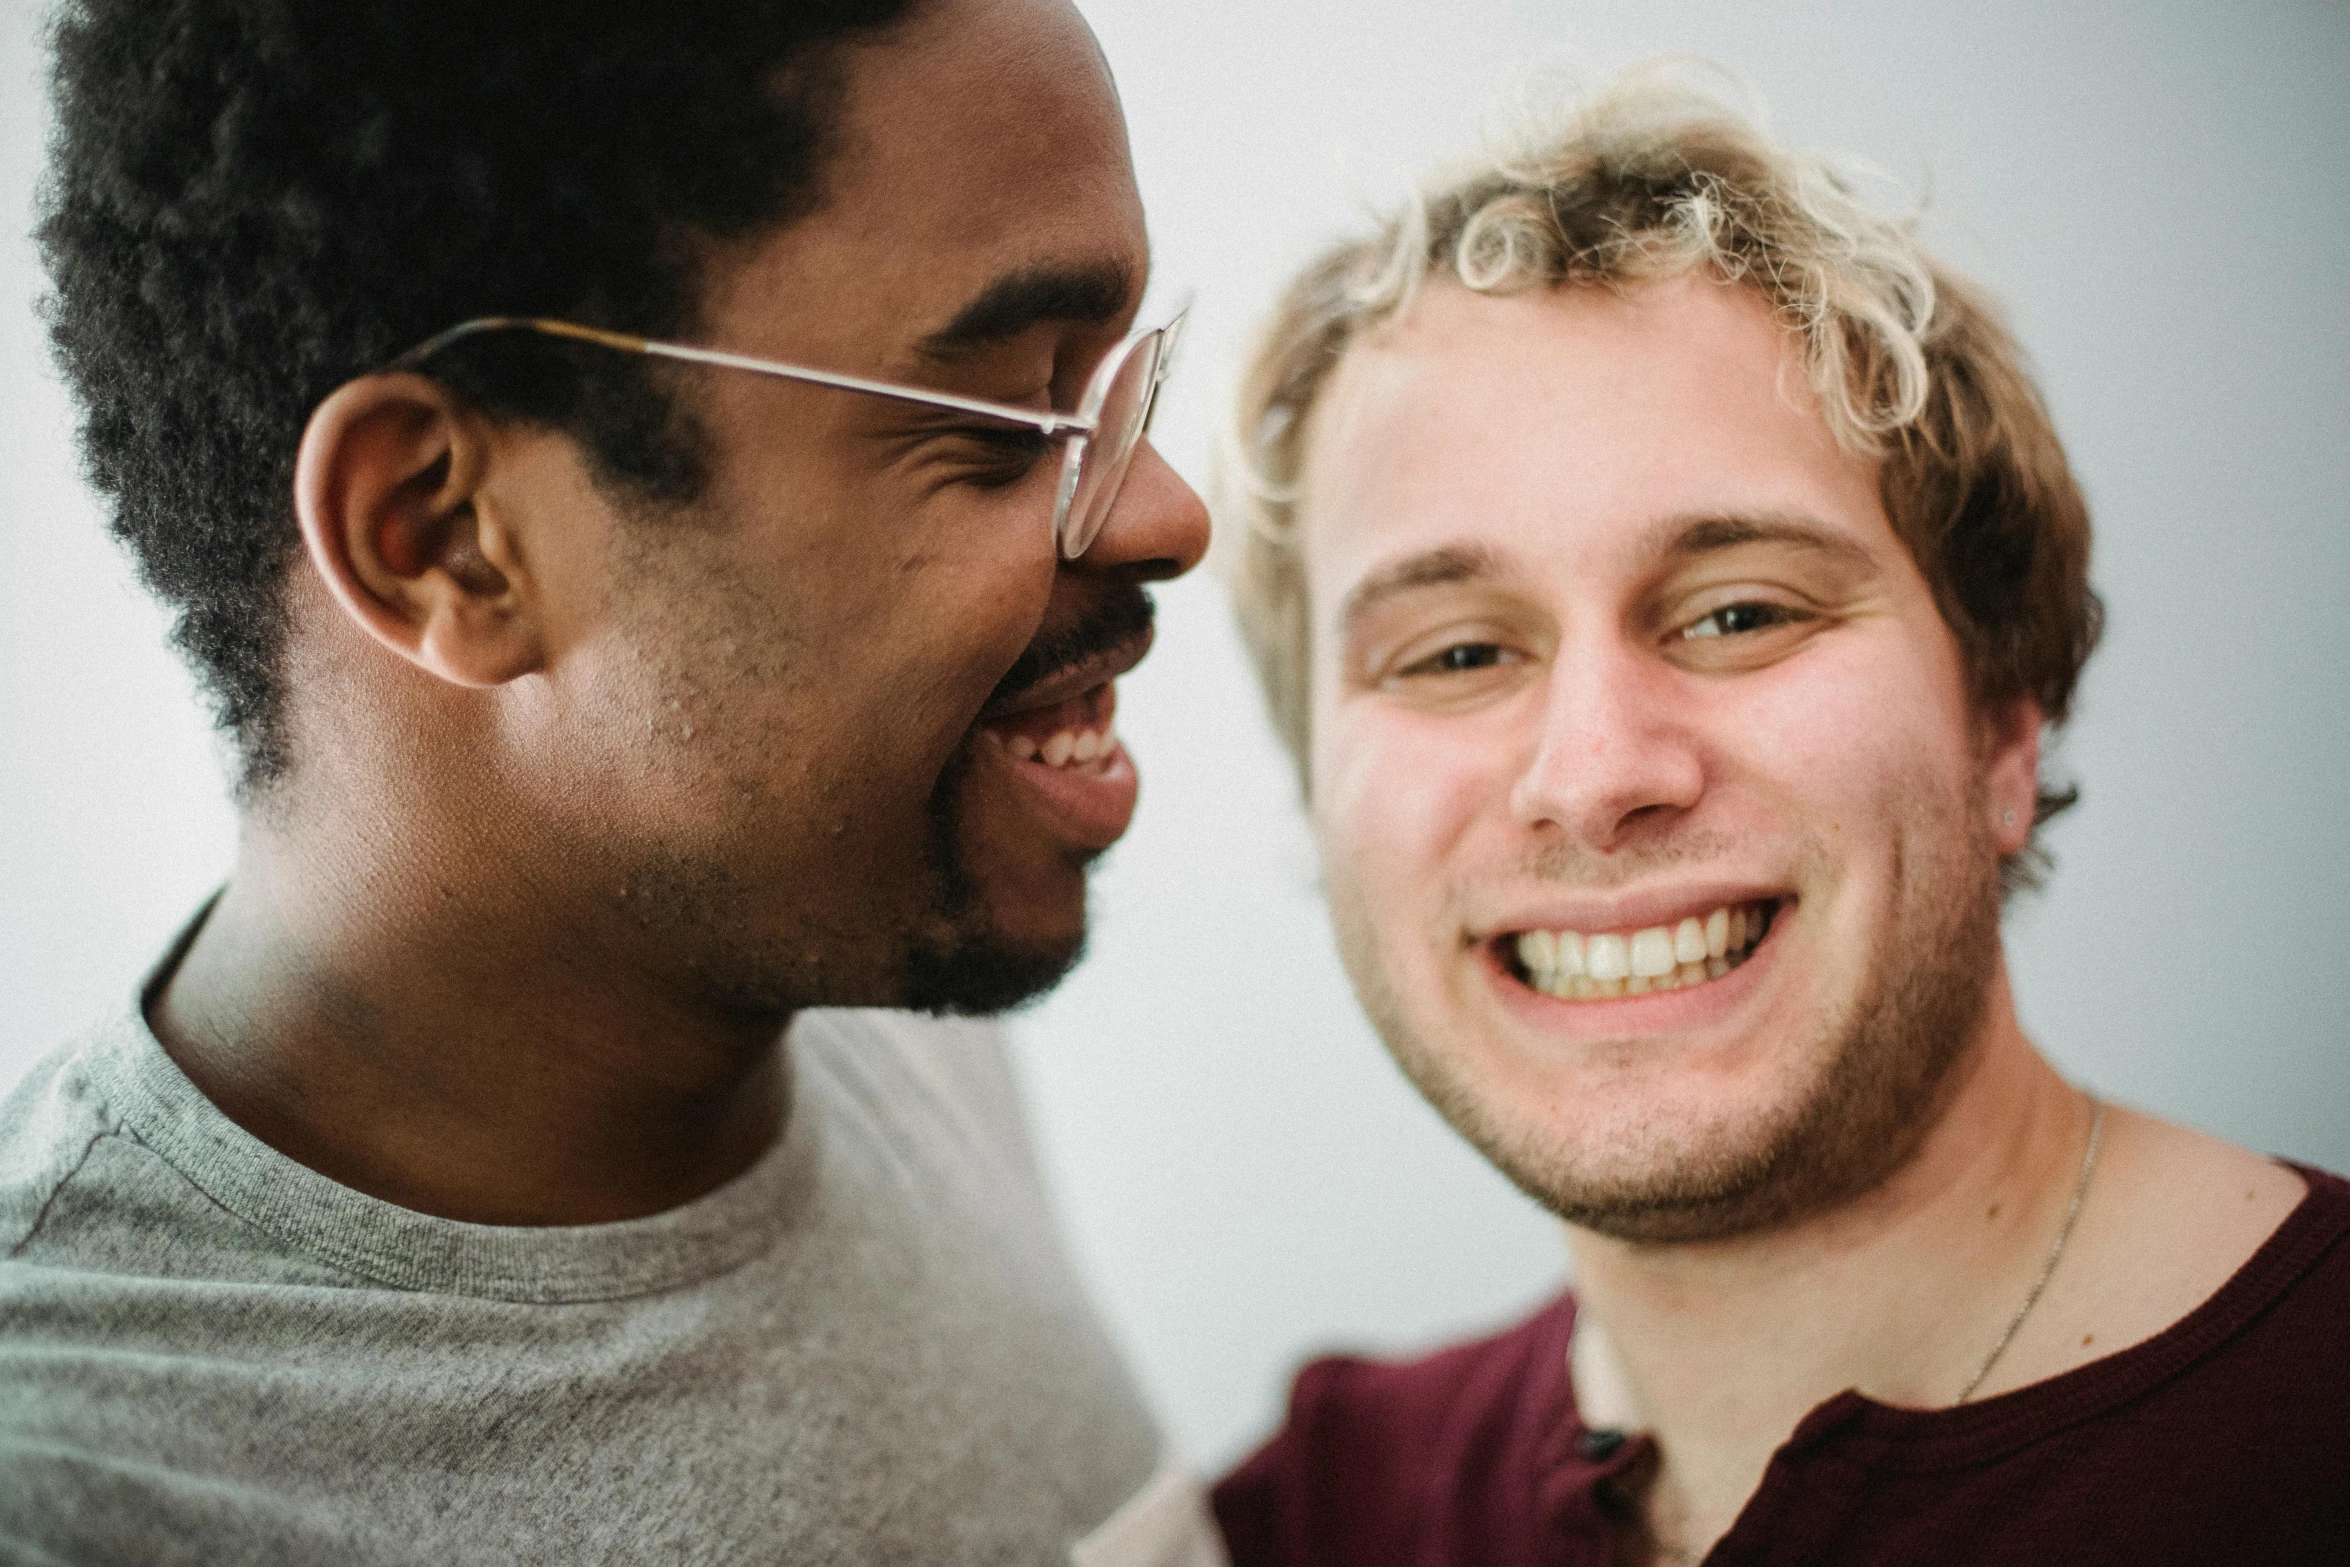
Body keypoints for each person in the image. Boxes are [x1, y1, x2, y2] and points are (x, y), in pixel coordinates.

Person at [0, 0, 1225, 1560]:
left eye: (1116, 384)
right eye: (1002, 427)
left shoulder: (860, 973)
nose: (1165, 513)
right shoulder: (73, 1499)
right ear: (444, 534)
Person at [1211, 70, 2349, 1565]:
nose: (1594, 773)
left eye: (1737, 611)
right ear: (1311, 785)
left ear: (2005, 716)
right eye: (1459, 654)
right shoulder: (1318, 1516)